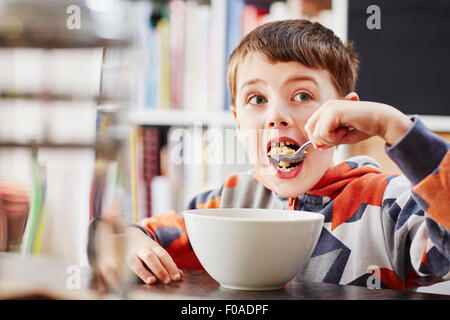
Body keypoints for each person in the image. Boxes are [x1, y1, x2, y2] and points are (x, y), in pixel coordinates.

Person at [91, 19, 450, 290]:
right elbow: (122, 237)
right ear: (238, 123)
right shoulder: (225, 203)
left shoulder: (389, 206)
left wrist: (394, 127)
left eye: (302, 96)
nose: (276, 115)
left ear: (346, 114)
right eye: (257, 100)